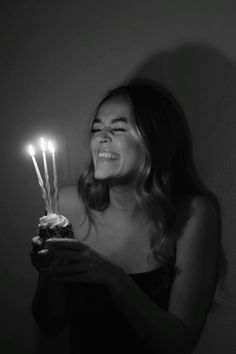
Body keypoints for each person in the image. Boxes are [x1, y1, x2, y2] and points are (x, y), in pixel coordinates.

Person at [31, 80, 221, 354]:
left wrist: (113, 277)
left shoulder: (194, 215)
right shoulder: (64, 205)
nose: (101, 137)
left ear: (156, 140)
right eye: (97, 128)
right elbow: (49, 324)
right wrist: (49, 271)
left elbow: (179, 344)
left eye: (118, 128)